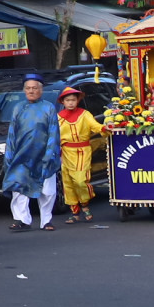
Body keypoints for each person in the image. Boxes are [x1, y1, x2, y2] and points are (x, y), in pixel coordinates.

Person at [1, 75, 60, 232]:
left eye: (34, 88)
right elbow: (12, 132)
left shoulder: (49, 108)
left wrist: (50, 154)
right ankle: (22, 220)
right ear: (24, 90)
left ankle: (46, 220)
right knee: (19, 188)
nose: (31, 91)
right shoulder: (18, 108)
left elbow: (53, 132)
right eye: (28, 88)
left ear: (41, 90)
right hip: (22, 155)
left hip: (44, 155)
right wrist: (9, 154)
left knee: (47, 191)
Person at [56, 87, 104, 224]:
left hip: (82, 151)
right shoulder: (59, 117)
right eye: (67, 100)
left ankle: (85, 204)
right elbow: (54, 135)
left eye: (73, 100)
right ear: (63, 102)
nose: (70, 103)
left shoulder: (85, 114)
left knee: (80, 180)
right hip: (66, 152)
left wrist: (105, 128)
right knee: (68, 182)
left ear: (78, 101)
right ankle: (75, 212)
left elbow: (95, 126)